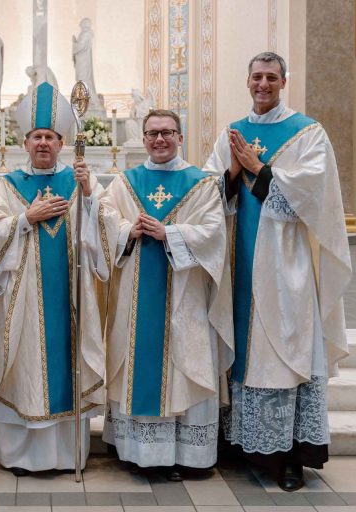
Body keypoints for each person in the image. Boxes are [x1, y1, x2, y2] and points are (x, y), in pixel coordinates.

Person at [202, 51, 351, 492]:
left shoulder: (308, 133)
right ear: (246, 82)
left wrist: (258, 168)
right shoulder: (232, 133)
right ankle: (244, 445)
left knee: (286, 349)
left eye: (271, 77)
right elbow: (210, 196)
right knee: (246, 351)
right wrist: (231, 173)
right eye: (256, 77)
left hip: (286, 266)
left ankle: (290, 456)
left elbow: (313, 197)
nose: (262, 84)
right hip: (239, 261)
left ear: (284, 81)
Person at [93, 109, 233, 481]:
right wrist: (128, 229)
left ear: (180, 137)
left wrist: (169, 234)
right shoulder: (125, 182)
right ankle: (139, 451)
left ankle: (187, 454)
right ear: (143, 139)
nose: (159, 140)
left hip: (184, 296)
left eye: (167, 133)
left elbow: (213, 233)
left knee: (183, 363)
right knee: (137, 357)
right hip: (134, 296)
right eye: (152, 133)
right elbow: (103, 219)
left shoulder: (201, 184)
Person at [0, 82, 108, 476]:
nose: (43, 143)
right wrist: (24, 220)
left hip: (70, 296)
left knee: (66, 365)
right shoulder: (5, 185)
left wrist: (88, 195)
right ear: (25, 141)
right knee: (23, 369)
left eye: (50, 137)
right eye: (36, 136)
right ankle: (20, 457)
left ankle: (67, 456)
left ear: (63, 142)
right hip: (22, 302)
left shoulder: (80, 181)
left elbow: (104, 230)